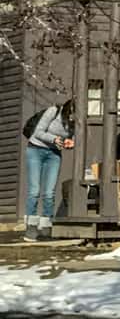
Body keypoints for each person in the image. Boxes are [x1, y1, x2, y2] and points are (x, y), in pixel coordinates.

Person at [22, 99, 74, 241]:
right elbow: (38, 132)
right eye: (71, 113)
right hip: (35, 149)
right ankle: (31, 227)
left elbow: (72, 136)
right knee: (34, 190)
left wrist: (71, 142)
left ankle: (46, 227)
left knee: (49, 192)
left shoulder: (75, 121)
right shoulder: (54, 111)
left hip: (54, 154)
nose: (72, 117)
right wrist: (54, 139)